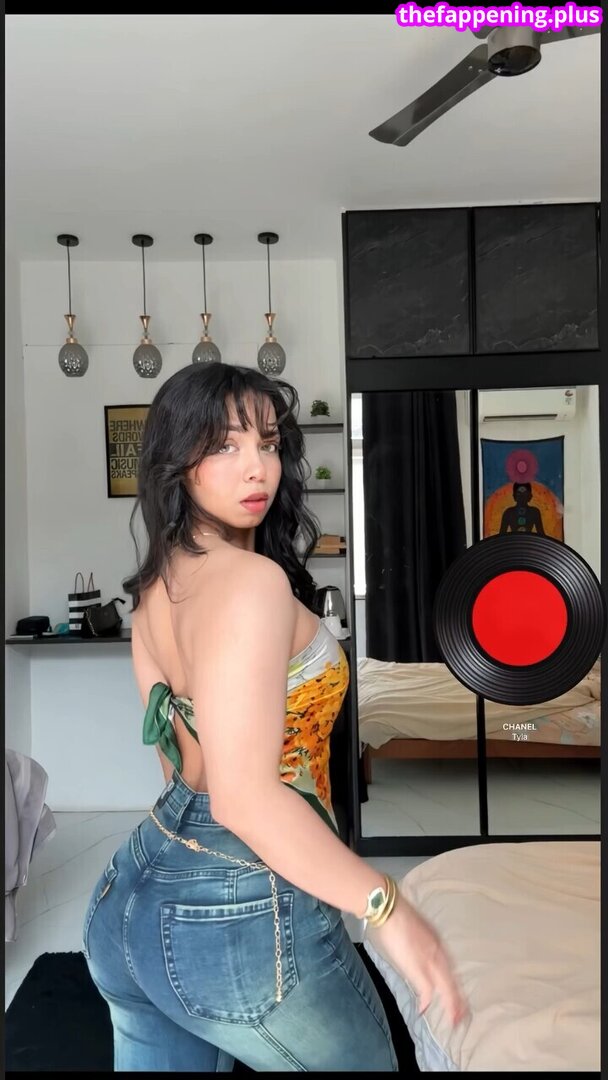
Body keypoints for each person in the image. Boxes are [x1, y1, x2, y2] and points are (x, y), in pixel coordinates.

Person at [82, 361, 468, 1072]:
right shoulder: (252, 582)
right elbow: (243, 799)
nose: (256, 466)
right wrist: (386, 907)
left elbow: (176, 761)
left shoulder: (155, 586)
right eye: (224, 445)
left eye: (267, 443)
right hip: (235, 894)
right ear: (177, 462)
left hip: (131, 890)